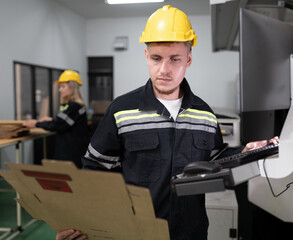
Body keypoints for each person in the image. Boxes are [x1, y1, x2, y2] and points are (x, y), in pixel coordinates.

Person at [56, 5, 278, 240]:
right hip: (137, 233)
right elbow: (94, 172)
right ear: (146, 56)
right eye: (156, 58)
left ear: (188, 59)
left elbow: (214, 160)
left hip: (190, 233)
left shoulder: (204, 114)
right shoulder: (121, 111)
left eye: (175, 59)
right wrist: (83, 223)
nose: (164, 69)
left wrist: (244, 152)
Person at [23, 70, 89, 169]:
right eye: (60, 87)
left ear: (72, 88)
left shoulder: (74, 106)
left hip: (71, 152)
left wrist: (36, 124)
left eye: (63, 86)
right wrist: (51, 120)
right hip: (71, 149)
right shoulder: (74, 106)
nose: (60, 90)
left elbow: (58, 125)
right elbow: (64, 122)